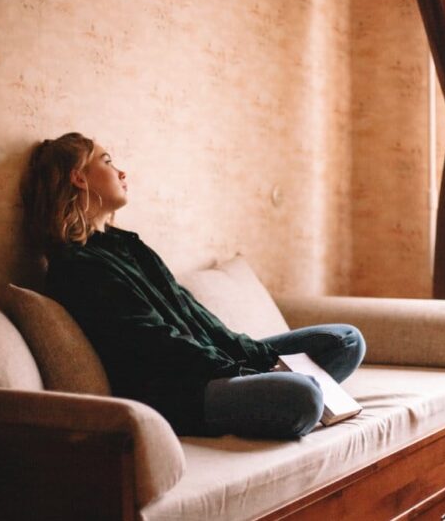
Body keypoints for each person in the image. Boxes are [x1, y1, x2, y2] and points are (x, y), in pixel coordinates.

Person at [21, 132, 365, 438]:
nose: (121, 172)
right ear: (79, 177)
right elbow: (152, 342)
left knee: (346, 341)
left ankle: (269, 387)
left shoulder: (129, 246)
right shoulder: (77, 267)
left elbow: (195, 313)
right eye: (107, 161)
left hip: (212, 363)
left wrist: (255, 356)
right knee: (304, 396)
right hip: (180, 391)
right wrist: (238, 370)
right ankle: (275, 392)